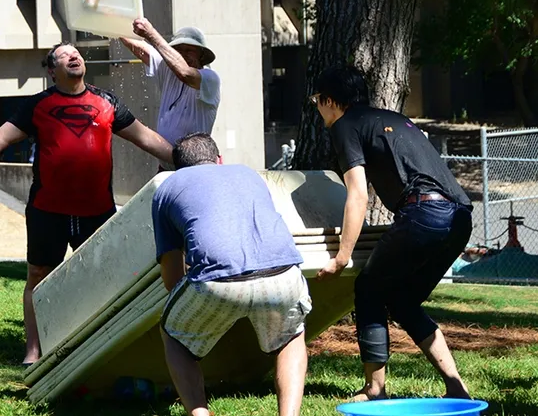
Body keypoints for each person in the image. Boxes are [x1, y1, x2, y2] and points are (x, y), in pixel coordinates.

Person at [0, 42, 173, 366]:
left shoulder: (107, 102)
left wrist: (187, 159)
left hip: (97, 212)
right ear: (52, 71)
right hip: (47, 210)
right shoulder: (38, 105)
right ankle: (33, 351)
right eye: (64, 55)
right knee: (38, 276)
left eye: (76, 52)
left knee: (103, 281)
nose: (74, 56)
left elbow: (146, 137)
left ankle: (98, 346)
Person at [312, 65, 472, 401]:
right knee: (401, 300)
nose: (318, 109)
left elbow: (358, 194)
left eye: (317, 101)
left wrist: (341, 258)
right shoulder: (391, 119)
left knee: (369, 287)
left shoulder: (345, 125)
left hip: (424, 214)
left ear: (330, 101)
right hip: (460, 218)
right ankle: (456, 385)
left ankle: (375, 389)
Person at [152, 133, 311, 416]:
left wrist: (204, 312)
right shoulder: (248, 175)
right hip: (284, 272)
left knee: (172, 334)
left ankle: (199, 413)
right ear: (219, 159)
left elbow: (171, 275)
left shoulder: (167, 188)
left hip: (217, 282)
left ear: (178, 168)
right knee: (290, 336)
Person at [119, 19, 220, 165]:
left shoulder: (210, 79)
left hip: (194, 167)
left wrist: (151, 33)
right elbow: (139, 48)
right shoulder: (168, 70)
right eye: (179, 50)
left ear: (201, 56)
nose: (183, 55)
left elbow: (184, 72)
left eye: (189, 50)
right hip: (166, 166)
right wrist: (110, 22)